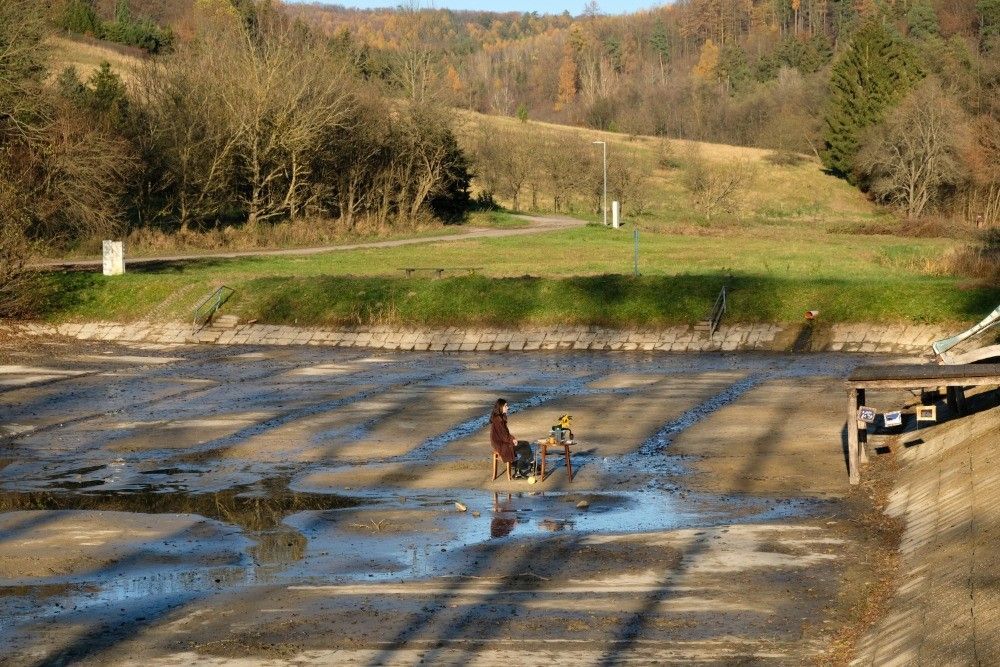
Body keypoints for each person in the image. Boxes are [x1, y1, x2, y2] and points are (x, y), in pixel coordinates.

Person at [489, 398, 533, 478]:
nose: (508, 407)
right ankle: (520, 469)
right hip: (501, 444)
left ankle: (525, 465)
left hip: (503, 442)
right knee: (524, 446)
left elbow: (505, 434)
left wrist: (512, 439)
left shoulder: (500, 418)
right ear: (500, 407)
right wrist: (512, 440)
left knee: (525, 444)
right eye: (506, 406)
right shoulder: (497, 420)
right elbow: (503, 436)